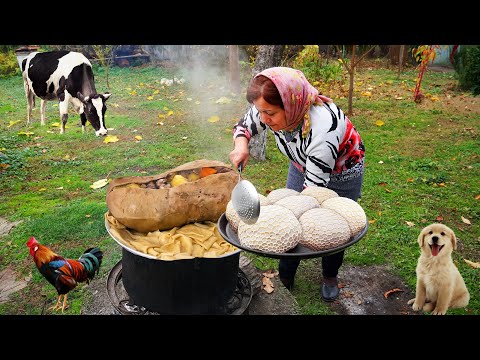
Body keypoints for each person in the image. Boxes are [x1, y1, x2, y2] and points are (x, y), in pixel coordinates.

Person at [229, 67, 365, 302]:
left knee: (333, 225)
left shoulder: (323, 128)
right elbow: (245, 125)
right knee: (291, 219)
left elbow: (311, 197)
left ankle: (330, 276)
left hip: (341, 174)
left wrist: (277, 222)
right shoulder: (274, 105)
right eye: (261, 111)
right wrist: (241, 144)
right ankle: (286, 273)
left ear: (291, 106)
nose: (264, 119)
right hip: (303, 164)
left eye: (269, 113)